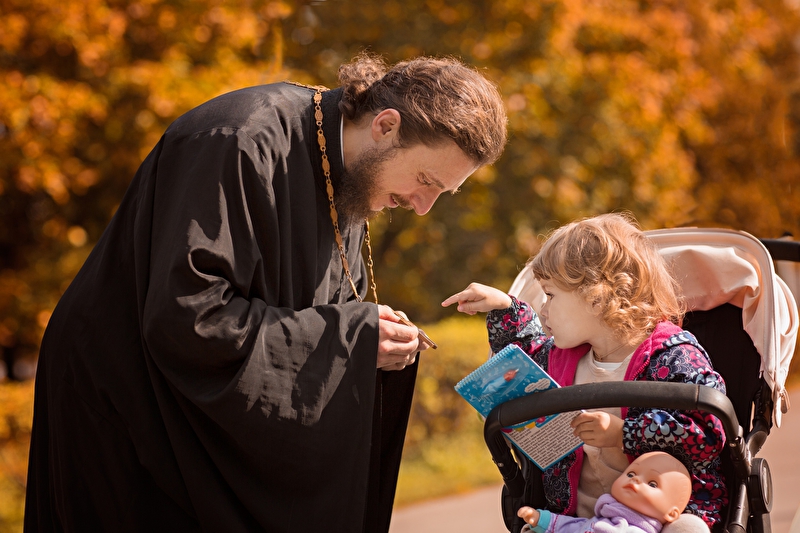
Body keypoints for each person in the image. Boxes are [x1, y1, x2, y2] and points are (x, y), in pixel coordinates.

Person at [24, 52, 507, 532]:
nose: (423, 207)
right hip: (127, 409)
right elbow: (189, 317)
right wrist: (350, 338)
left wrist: (370, 338)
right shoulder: (239, 140)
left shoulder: (352, 177)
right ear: (385, 126)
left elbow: (328, 308)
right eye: (425, 181)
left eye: (441, 192)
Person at [442, 213, 727, 531]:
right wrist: (503, 308)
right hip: (576, 521)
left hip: (659, 519)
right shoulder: (562, 358)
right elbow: (524, 354)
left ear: (597, 298)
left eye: (550, 295)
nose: (543, 310)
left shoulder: (671, 357)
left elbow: (706, 432)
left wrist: (623, 433)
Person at [517, 451, 692, 533]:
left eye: (652, 484)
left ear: (671, 513)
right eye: (631, 474)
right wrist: (541, 519)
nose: (635, 480)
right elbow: (573, 527)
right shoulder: (600, 521)